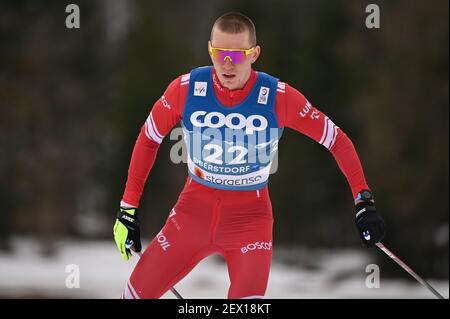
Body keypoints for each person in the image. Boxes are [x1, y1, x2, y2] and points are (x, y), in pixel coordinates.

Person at [113, 12, 386, 299]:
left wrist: (363, 201)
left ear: (254, 54)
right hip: (191, 214)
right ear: (210, 50)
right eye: (220, 53)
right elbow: (148, 139)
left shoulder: (278, 97)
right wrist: (127, 208)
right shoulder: (186, 89)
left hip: (250, 222)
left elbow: (336, 140)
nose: (227, 63)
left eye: (238, 54)